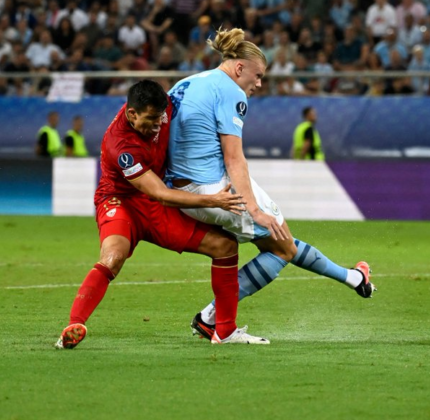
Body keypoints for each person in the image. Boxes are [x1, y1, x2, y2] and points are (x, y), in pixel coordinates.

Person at [166, 28, 375, 341]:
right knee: (281, 247)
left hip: (183, 188)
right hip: (213, 189)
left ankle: (353, 278)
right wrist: (253, 210)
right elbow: (235, 158)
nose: (259, 85)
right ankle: (212, 317)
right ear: (239, 68)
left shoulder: (186, 83)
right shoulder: (232, 91)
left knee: (282, 241)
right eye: (258, 76)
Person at [55, 80, 269, 350]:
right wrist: (213, 199)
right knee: (113, 257)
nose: (158, 124)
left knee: (224, 245)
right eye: (151, 119)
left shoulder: (164, 104)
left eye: (161, 117)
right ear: (132, 114)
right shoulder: (122, 147)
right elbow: (160, 194)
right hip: (121, 200)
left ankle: (224, 332)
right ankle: (75, 325)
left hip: (154, 203)